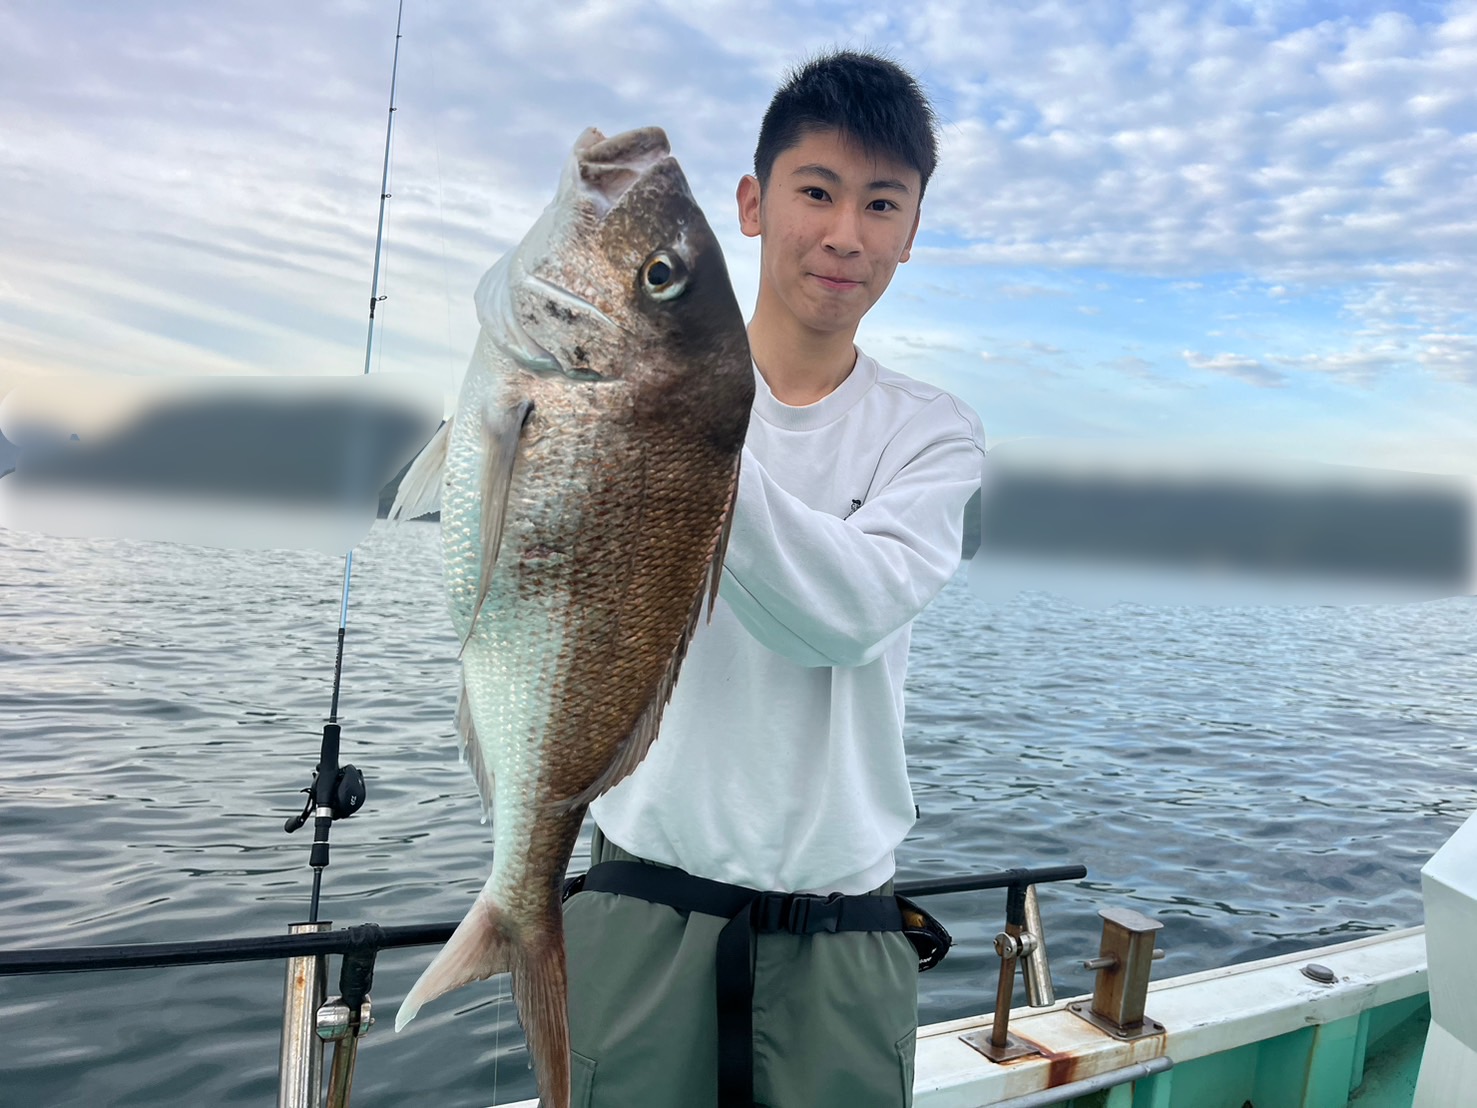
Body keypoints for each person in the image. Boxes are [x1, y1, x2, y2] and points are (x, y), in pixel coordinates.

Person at [563, 48, 986, 1108]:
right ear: (752, 205)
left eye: (881, 203)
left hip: (840, 937)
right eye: (816, 191)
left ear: (911, 232)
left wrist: (677, 424)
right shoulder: (615, 397)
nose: (846, 234)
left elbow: (848, 613)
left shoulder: (930, 434)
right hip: (639, 908)